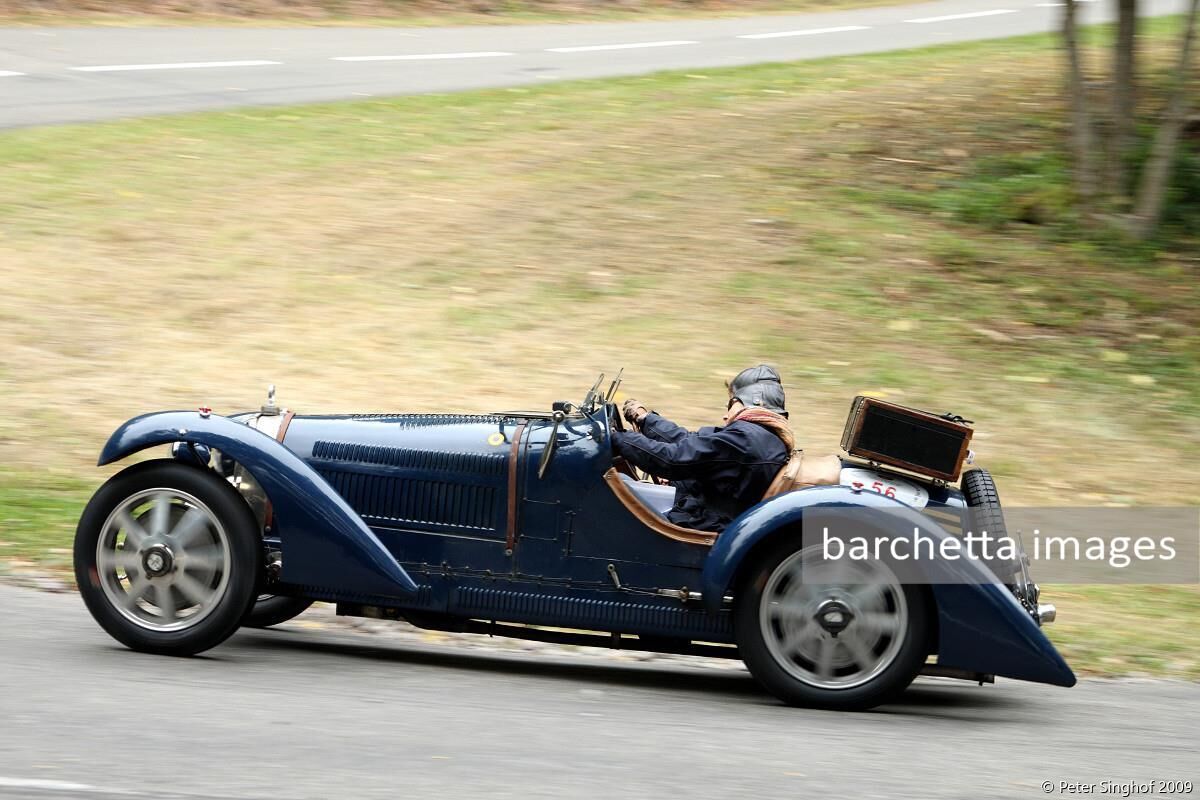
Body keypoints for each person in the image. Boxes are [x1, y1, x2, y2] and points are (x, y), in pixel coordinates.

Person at [610, 365, 794, 533]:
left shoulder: (743, 439)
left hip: (704, 522)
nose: (725, 415)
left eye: (730, 403)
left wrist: (618, 438)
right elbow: (693, 442)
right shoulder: (763, 436)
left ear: (746, 402)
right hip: (716, 509)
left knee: (618, 515)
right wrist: (647, 419)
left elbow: (671, 460)